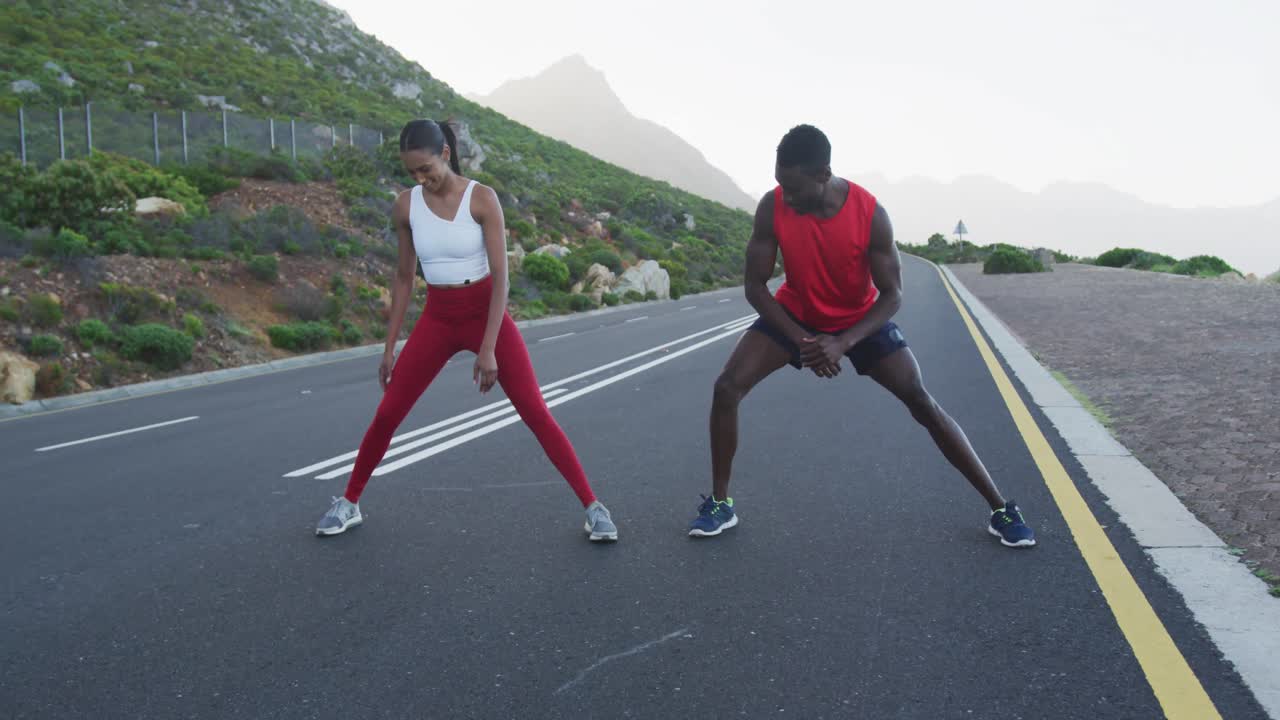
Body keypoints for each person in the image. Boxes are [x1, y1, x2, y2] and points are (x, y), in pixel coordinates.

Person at [688, 124, 1035, 548]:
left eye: (794, 188)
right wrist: (803, 341)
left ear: (823, 173)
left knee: (920, 399)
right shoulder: (772, 206)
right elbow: (755, 288)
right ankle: (720, 504)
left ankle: (1001, 508)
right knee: (726, 388)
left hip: (859, 320)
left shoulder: (870, 214)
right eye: (780, 185)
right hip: (796, 316)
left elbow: (892, 297)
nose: (787, 198)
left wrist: (842, 342)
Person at [316, 119, 618, 542]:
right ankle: (349, 503)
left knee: (535, 411)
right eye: (411, 173)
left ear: (444, 154)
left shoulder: (482, 199)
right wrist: (389, 348)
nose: (421, 179)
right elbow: (404, 278)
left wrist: (489, 349)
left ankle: (593, 507)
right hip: (438, 317)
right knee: (388, 413)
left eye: (426, 169)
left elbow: (502, 278)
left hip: (483, 312)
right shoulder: (406, 206)